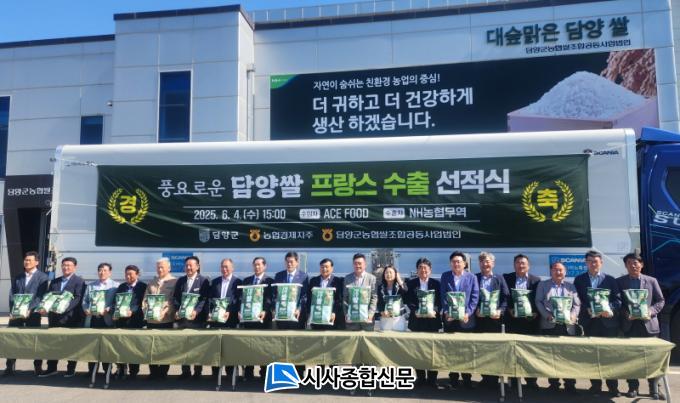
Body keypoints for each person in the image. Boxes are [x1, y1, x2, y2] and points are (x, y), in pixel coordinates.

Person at [617, 253, 666, 400]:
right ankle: (633, 387)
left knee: (652, 358)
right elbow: (618, 303)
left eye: (636, 263)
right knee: (631, 358)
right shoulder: (620, 282)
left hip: (648, 325)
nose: (633, 266)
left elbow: (660, 301)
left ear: (641, 265)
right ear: (625, 266)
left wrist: (650, 311)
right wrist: (626, 313)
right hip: (629, 325)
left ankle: (654, 388)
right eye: (629, 263)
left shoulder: (651, 281)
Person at [573, 250, 622, 397]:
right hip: (590, 323)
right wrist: (586, 309)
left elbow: (618, 301)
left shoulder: (610, 279)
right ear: (586, 263)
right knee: (593, 356)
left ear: (601, 262)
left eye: (595, 261)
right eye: (590, 261)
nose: (593, 264)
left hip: (608, 323)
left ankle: (613, 387)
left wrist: (609, 308)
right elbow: (576, 300)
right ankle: (595, 386)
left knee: (609, 356)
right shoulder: (579, 280)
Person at [536, 262, 580, 393]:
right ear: (551, 271)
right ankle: (553, 384)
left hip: (567, 326)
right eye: (555, 270)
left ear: (565, 272)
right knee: (551, 356)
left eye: (560, 270)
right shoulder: (543, 285)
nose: (558, 272)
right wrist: (547, 315)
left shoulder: (571, 286)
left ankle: (570, 384)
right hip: (550, 324)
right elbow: (538, 301)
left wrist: (573, 316)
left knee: (568, 357)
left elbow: (577, 304)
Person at [38, 257, 86, 378]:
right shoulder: (55, 281)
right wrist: (45, 306)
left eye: (69, 265)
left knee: (71, 344)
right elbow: (49, 296)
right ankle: (51, 368)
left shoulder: (79, 281)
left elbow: (78, 298)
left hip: (71, 317)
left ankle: (71, 369)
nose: (66, 267)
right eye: (64, 265)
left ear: (74, 267)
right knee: (52, 343)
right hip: (54, 318)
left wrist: (64, 308)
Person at [4, 251, 49, 376]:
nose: (27, 262)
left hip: (32, 314)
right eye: (25, 260)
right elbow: (12, 294)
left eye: (29, 260)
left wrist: (30, 309)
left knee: (35, 340)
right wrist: (13, 310)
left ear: (36, 262)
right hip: (17, 314)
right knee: (12, 339)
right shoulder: (18, 276)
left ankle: (38, 366)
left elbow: (40, 296)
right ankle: (9, 366)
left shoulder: (42, 277)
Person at [440, 251, 478, 389]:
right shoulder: (445, 276)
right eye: (454, 262)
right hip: (450, 319)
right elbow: (443, 296)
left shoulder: (472, 277)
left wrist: (468, 313)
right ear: (450, 263)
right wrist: (446, 311)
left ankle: (467, 379)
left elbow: (475, 297)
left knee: (466, 350)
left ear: (464, 263)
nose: (456, 264)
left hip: (466, 320)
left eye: (459, 261)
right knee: (451, 349)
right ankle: (453, 379)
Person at [503, 254, 541, 390]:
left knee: (530, 352)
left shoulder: (536, 280)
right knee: (512, 352)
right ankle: (513, 381)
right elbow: (504, 296)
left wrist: (535, 312)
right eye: (518, 263)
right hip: (512, 320)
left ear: (528, 265)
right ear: (514, 265)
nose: (521, 265)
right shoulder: (507, 278)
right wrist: (509, 309)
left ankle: (531, 381)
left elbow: (538, 299)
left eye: (523, 263)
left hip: (530, 322)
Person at [474, 251, 510, 388]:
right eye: (482, 261)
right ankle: (485, 377)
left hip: (495, 320)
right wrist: (476, 310)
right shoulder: (475, 277)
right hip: (479, 320)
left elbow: (506, 297)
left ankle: (495, 379)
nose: (485, 264)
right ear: (479, 264)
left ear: (493, 263)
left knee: (495, 350)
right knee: (481, 350)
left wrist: (500, 311)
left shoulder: (499, 278)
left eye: (488, 261)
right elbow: (471, 296)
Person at [405, 257, 441, 389]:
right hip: (417, 321)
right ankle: (420, 378)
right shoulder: (411, 283)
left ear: (430, 270)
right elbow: (408, 300)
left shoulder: (436, 284)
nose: (423, 270)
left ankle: (432, 379)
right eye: (420, 268)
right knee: (417, 350)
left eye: (425, 268)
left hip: (432, 321)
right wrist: (415, 311)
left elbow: (440, 301)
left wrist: (435, 310)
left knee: (432, 350)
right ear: (417, 270)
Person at [173, 256, 210, 379]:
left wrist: (196, 311)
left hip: (197, 320)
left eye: (191, 265)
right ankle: (185, 371)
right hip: (182, 320)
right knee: (183, 346)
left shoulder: (203, 281)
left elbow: (204, 299)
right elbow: (175, 298)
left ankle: (198, 371)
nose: (188, 268)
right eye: (186, 265)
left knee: (197, 346)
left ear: (197, 267)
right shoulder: (181, 280)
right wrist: (177, 310)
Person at [82, 263, 119, 378]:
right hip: (93, 319)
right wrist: (86, 309)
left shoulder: (116, 286)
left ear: (110, 272)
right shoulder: (91, 286)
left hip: (107, 320)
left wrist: (109, 308)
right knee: (92, 346)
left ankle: (107, 370)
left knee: (107, 347)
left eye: (105, 270)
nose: (102, 272)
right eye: (100, 270)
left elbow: (117, 302)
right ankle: (92, 370)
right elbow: (85, 301)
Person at [240, 256, 274, 381]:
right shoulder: (247, 280)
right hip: (249, 320)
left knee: (263, 347)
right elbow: (242, 298)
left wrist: (265, 310)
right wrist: (240, 311)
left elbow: (271, 298)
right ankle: (248, 372)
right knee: (249, 345)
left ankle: (264, 372)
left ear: (265, 266)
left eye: (259, 264)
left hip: (263, 319)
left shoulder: (270, 281)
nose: (257, 267)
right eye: (255, 264)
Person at [143, 258, 177, 379]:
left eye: (162, 267)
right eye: (158, 267)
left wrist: (166, 311)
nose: (160, 269)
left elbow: (174, 301)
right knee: (150, 347)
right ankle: (153, 372)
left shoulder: (174, 282)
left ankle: (163, 372)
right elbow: (145, 300)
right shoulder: (152, 282)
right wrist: (146, 311)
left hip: (165, 320)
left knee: (164, 347)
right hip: (151, 321)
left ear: (169, 268)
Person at [209, 258, 242, 380]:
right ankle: (215, 374)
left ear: (232, 268)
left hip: (230, 321)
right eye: (222, 266)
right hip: (216, 321)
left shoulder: (238, 282)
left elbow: (239, 301)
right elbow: (210, 300)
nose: (224, 269)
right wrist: (210, 313)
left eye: (227, 267)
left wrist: (230, 311)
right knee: (216, 348)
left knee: (230, 348)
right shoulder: (215, 282)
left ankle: (231, 373)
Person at [112, 264, 147, 380]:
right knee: (120, 346)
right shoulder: (122, 286)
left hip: (135, 321)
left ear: (137, 274)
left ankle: (133, 371)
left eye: (131, 274)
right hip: (121, 321)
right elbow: (116, 301)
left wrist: (132, 311)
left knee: (133, 347)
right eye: (126, 274)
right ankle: (121, 368)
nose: (128, 276)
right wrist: (115, 312)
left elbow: (143, 303)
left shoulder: (143, 286)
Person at [273, 251, 309, 329]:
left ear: (297, 262)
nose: (289, 264)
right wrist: (275, 308)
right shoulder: (279, 276)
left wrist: (299, 309)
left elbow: (304, 296)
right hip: (282, 315)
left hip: (297, 315)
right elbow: (275, 294)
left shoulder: (303, 276)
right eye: (287, 262)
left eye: (291, 262)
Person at [307, 258, 344, 330]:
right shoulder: (313, 281)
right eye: (322, 267)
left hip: (331, 319)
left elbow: (339, 300)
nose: (324, 269)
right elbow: (309, 298)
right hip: (316, 318)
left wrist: (334, 312)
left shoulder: (338, 281)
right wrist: (309, 313)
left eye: (326, 267)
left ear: (332, 268)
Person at [344, 253, 378, 331]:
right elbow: (345, 297)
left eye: (360, 263)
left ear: (365, 264)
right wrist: (346, 313)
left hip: (367, 319)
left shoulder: (372, 278)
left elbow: (374, 297)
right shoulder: (347, 278)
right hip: (352, 319)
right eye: (355, 263)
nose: (357, 266)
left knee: (367, 338)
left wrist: (370, 314)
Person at [376, 264, 408, 330]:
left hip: (398, 318)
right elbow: (379, 302)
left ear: (395, 274)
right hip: (386, 317)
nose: (388, 274)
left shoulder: (400, 286)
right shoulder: (380, 287)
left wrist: (399, 280)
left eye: (391, 272)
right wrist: (381, 311)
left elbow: (405, 292)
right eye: (386, 273)